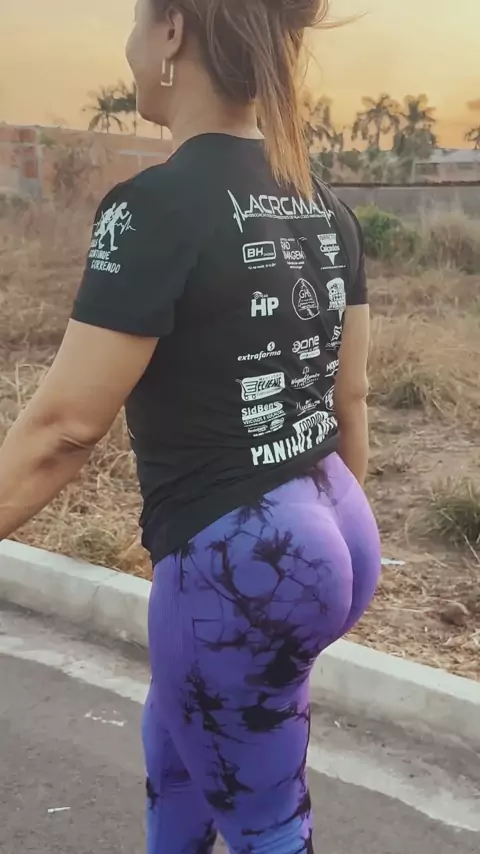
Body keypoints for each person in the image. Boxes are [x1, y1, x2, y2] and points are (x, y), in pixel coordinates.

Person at [0, 0, 381, 850]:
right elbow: (349, 399)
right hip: (336, 526)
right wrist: (328, 568)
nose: (131, 47)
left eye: (137, 23)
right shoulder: (324, 205)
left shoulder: (153, 207)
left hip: (244, 563)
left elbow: (63, 430)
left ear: (172, 31)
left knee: (267, 822)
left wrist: (289, 582)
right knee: (177, 749)